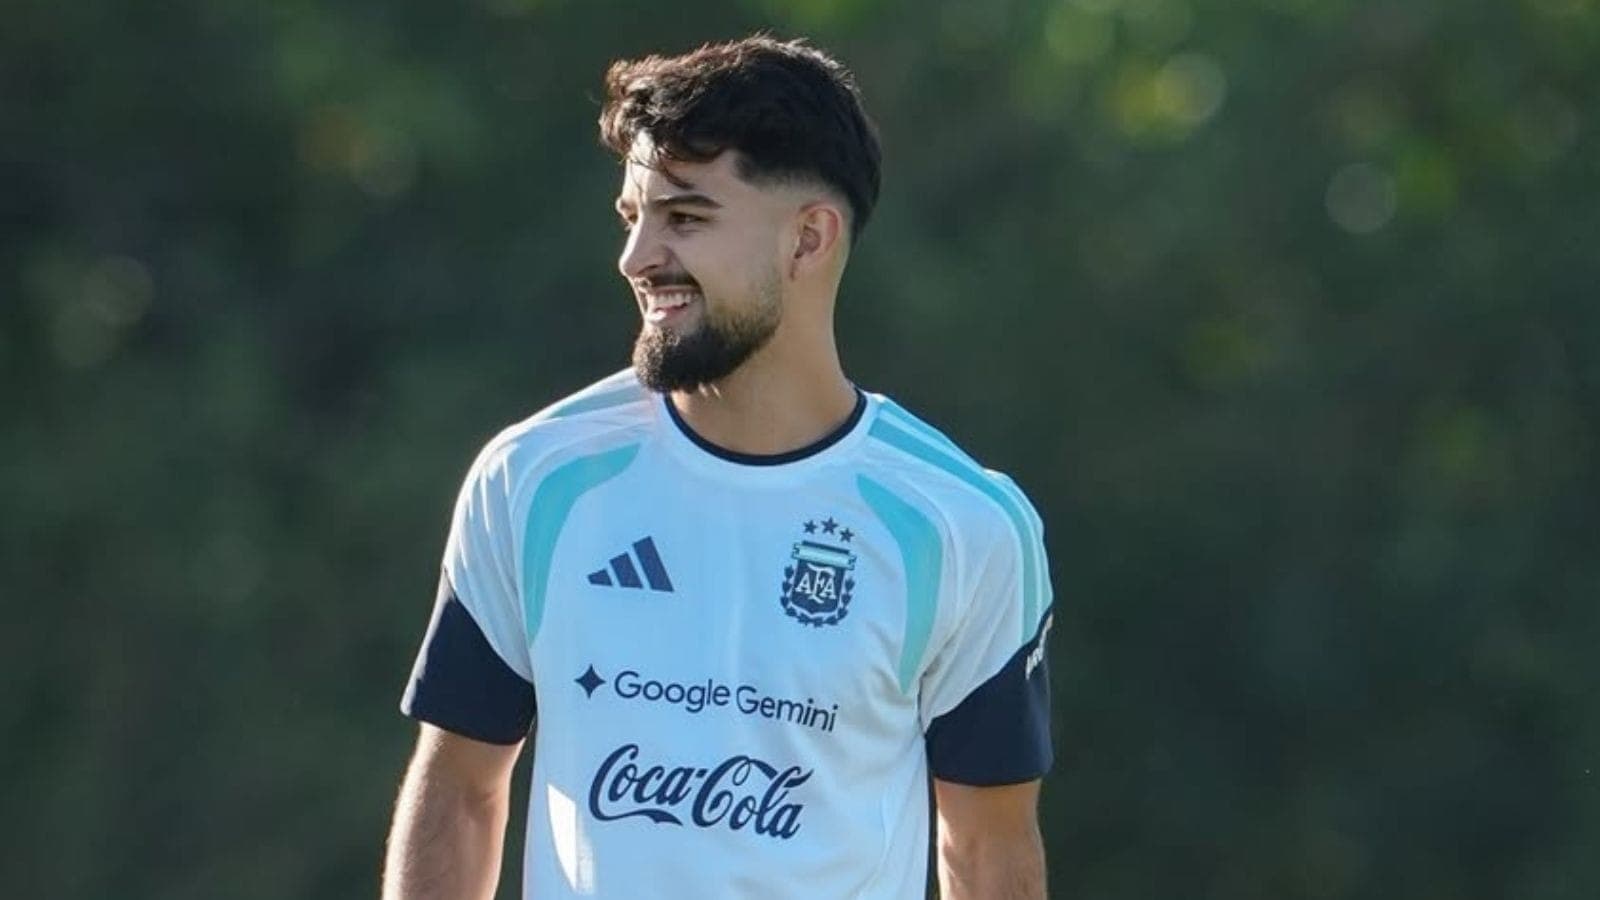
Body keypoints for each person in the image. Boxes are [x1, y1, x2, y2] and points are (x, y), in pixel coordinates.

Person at [382, 34, 1054, 900]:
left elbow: (985, 850)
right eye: (635, 216)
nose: (638, 258)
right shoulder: (534, 479)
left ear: (808, 241)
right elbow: (462, 791)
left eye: (685, 217)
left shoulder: (964, 525)